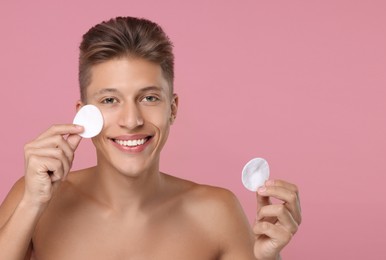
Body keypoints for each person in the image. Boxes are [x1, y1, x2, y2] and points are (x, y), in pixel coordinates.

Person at [0, 16, 301, 260]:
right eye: (109, 101)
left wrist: (268, 259)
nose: (131, 121)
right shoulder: (34, 200)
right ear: (83, 116)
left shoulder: (217, 214)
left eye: (149, 98)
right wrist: (32, 204)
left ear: (172, 109)